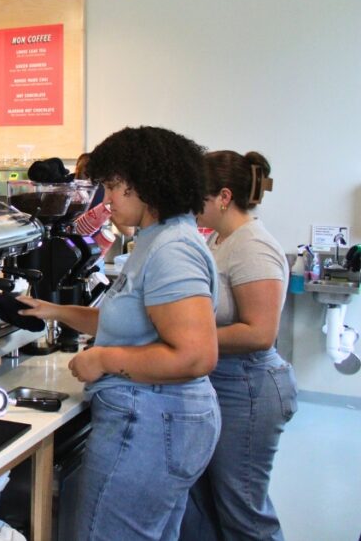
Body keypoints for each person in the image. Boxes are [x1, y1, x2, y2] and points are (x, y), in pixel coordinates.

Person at [18, 126, 220, 541]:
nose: (106, 200)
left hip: (153, 423)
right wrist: (52, 310)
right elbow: (127, 319)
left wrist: (104, 360)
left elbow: (195, 356)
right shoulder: (156, 239)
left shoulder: (172, 250)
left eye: (113, 187)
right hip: (162, 420)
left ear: (146, 184)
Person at [180, 151, 297, 541]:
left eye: (198, 196)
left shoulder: (253, 246)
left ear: (224, 197)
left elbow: (259, 333)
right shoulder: (218, 239)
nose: (191, 206)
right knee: (209, 505)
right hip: (223, 383)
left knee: (243, 511)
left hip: (249, 386)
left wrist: (189, 339)